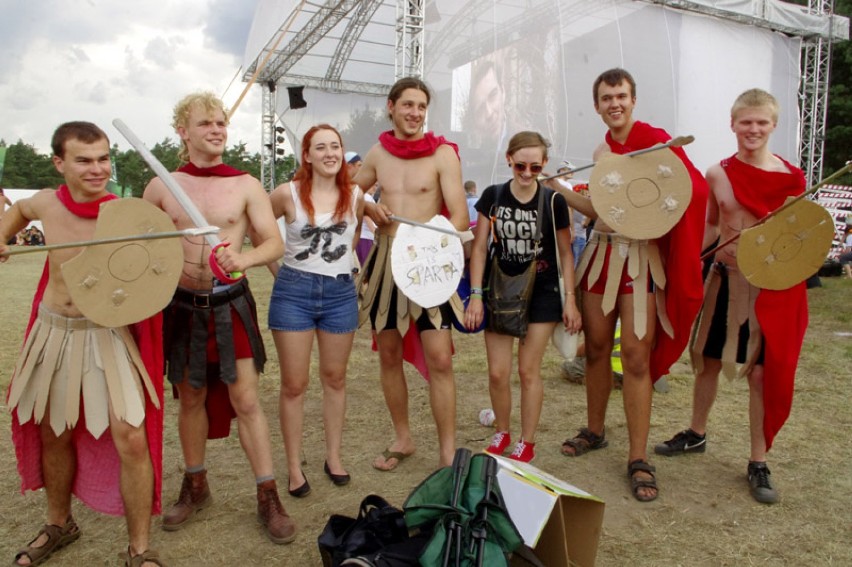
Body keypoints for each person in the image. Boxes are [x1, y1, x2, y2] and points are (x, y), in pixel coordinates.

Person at [1, 122, 166, 566]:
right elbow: (14, 215)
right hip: (53, 333)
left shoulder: (125, 213)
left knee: (130, 436)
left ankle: (138, 548)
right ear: (59, 162)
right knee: (55, 431)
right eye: (84, 160)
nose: (98, 169)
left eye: (103, 159)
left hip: (108, 336)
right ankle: (59, 524)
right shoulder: (45, 204)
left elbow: (159, 263)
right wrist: (1, 236)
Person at [142, 92, 295, 543]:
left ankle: (268, 495)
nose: (217, 129)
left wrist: (244, 260)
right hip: (182, 308)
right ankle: (195, 484)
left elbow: (273, 243)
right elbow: (138, 246)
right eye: (206, 123)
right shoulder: (161, 186)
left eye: (222, 122)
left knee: (247, 401)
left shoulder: (246, 185)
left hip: (231, 305)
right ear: (182, 132)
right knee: (189, 398)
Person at [554, 68, 707, 502]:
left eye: (620, 95)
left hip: (640, 261)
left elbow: (687, 189)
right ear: (598, 104)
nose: (614, 103)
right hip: (600, 257)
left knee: (636, 358)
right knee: (598, 349)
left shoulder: (656, 141)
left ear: (633, 99)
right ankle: (595, 430)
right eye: (606, 97)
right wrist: (559, 190)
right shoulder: (601, 148)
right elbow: (600, 209)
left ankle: (638, 457)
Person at [654, 89, 809, 504]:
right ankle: (696, 433)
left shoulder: (794, 179)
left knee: (761, 375)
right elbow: (709, 225)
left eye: (761, 122)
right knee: (706, 359)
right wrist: (686, 261)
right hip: (723, 279)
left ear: (773, 125)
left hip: (769, 288)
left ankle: (758, 461)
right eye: (746, 122)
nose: (753, 129)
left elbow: (800, 239)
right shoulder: (717, 173)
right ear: (733, 124)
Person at [354, 76, 469, 470]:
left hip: (430, 263)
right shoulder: (376, 154)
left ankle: (448, 450)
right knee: (388, 353)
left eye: (421, 106)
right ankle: (402, 439)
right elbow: (347, 194)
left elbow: (460, 216)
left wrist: (426, 243)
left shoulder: (443, 155)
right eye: (407, 105)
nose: (415, 113)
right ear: (391, 106)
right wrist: (368, 206)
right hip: (385, 260)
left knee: (440, 358)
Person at [464, 131, 580, 462]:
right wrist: (474, 295)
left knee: (529, 371)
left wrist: (570, 299)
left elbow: (565, 253)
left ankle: (526, 442)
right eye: (520, 166)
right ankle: (502, 430)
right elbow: (480, 250)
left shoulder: (554, 201)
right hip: (501, 288)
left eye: (535, 167)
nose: (527, 174)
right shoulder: (493, 196)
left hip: (542, 292)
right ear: (509, 160)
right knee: (498, 372)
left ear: (544, 165)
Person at [267, 124, 364, 497]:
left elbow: (354, 235)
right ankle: (293, 467)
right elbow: (260, 230)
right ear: (306, 155)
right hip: (294, 293)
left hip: (340, 295)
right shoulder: (286, 193)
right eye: (320, 147)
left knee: (335, 379)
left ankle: (333, 457)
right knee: (294, 385)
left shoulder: (355, 196)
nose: (329, 154)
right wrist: (280, 273)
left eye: (335, 146)